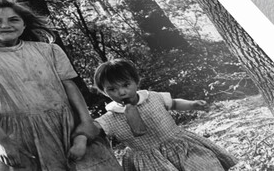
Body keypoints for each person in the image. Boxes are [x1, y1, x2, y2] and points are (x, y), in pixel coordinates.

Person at [0, 0, 122, 171]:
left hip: (67, 125)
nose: (5, 25)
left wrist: (86, 120)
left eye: (13, 19)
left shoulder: (49, 51)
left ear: (24, 24)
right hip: (17, 135)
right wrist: (2, 140)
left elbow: (70, 87)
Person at [90, 58, 238, 171]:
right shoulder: (110, 118)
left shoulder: (152, 97)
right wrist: (81, 138)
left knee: (204, 165)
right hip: (148, 159)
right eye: (112, 89)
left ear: (136, 82)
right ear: (104, 92)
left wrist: (192, 104)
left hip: (180, 145)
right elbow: (94, 128)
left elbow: (173, 103)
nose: (121, 92)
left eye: (126, 85)